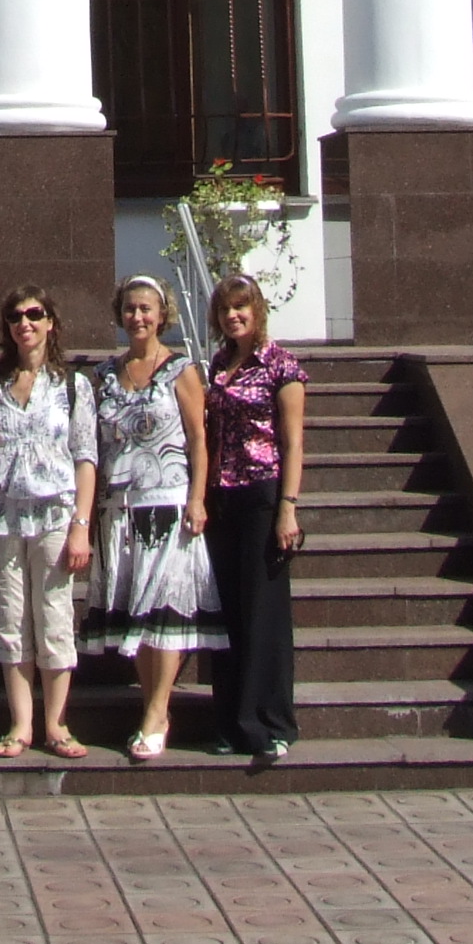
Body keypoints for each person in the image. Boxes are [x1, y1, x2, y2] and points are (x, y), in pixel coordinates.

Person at [86, 272, 216, 759]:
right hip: (118, 508)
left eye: (146, 309)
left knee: (164, 610)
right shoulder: (103, 375)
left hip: (167, 504)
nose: (137, 317)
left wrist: (198, 498)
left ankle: (157, 711)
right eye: (129, 309)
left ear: (163, 315)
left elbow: (198, 438)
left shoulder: (180, 369)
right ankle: (152, 704)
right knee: (134, 613)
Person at [0, 284, 97, 760]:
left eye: (34, 314)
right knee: (11, 619)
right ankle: (20, 724)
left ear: (50, 323)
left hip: (55, 515)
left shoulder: (72, 385)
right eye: (16, 317)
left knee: (54, 616)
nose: (25, 323)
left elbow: (85, 456)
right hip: (3, 516)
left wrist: (81, 524)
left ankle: (56, 725)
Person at [200, 274, 307, 771]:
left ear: (258, 310)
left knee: (264, 613)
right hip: (223, 496)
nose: (233, 317)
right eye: (225, 310)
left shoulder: (281, 365)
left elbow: (292, 442)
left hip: (264, 495)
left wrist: (288, 505)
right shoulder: (220, 363)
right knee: (230, 614)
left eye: (241, 308)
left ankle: (270, 725)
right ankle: (230, 723)